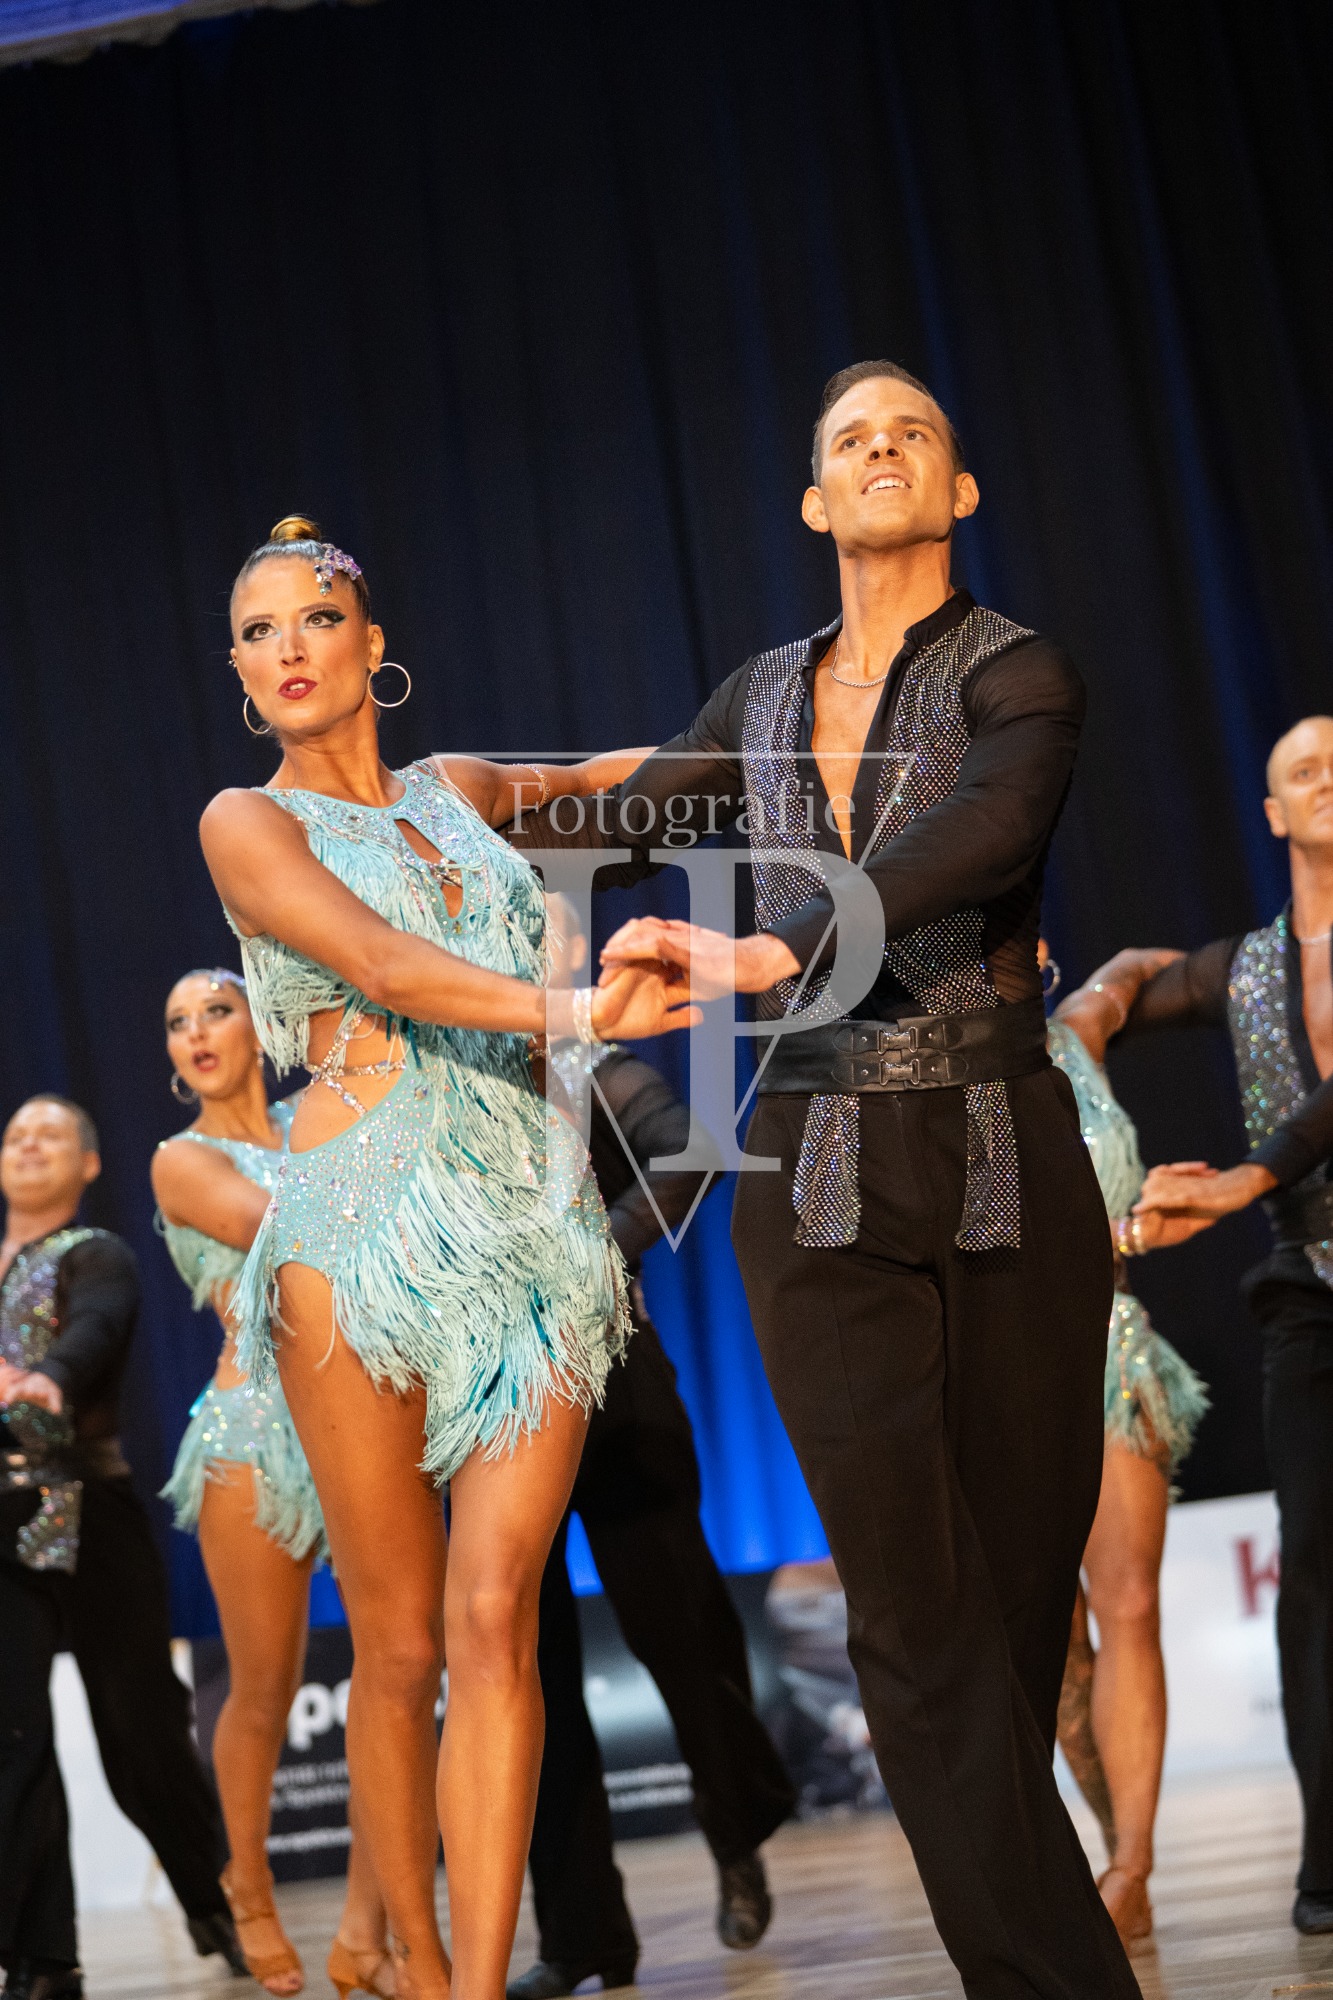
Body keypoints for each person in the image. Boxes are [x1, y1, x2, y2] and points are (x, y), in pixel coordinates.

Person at [539, 360, 1140, 1995]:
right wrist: (418, 797)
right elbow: (614, 820)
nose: (881, 451)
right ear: (815, 501)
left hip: (999, 1144)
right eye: (850, 440)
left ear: (955, 490)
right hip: (809, 1169)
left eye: (911, 434)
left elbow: (980, 834)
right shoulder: (754, 700)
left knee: (1008, 1611)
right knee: (905, 1617)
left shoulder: (1020, 672)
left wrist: (771, 943)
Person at [197, 516, 688, 2000]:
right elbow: (384, 966)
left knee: (496, 1622)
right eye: (257, 631)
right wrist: (580, 1010)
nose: (287, 648)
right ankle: (394, 1947)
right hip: (357, 1239)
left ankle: (474, 1982)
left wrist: (788, 740)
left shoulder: (460, 788)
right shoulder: (247, 821)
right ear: (241, 674)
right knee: (401, 1646)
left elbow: (612, 782)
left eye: (313, 617)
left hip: (532, 1233)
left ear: (371, 641)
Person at [509, 1026, 795, 2000]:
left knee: (681, 1630)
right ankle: (582, 1934)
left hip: (614, 1380)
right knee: (527, 1668)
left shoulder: (579, 1066)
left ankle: (736, 1830)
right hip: (491, 1399)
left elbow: (691, 1147)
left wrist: (593, 1252)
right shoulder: (426, 1087)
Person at [1125, 713, 1333, 1936]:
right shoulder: (1241, 966)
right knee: (1311, 1573)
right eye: (1304, 769)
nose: (1327, 780)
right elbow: (1112, 1003)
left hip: (1276, 1215)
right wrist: (1091, 992)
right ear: (1272, 812)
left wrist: (1245, 1179)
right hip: (1310, 1288)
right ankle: (1327, 1857)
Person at [153, 966, 394, 1999]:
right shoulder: (182, 1159)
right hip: (254, 1435)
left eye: (216, 1009)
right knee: (262, 1687)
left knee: (398, 1669)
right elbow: (292, 1224)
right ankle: (246, 1886)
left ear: (260, 1024)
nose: (197, 1031)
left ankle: (366, 1926)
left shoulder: (313, 1117)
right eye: (178, 1022)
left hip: (364, 1416)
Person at [0, 1095, 242, 2000]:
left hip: (89, 1507)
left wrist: (48, 1377)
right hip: (1, 1520)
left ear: (89, 1164)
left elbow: (95, 1327)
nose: (29, 1145)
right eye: (16, 1134)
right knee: (14, 1735)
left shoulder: (95, 1253)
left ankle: (219, 1901)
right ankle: (43, 1960)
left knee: (140, 1732)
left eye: (51, 1135)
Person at [1042, 946, 1210, 1947]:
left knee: (1128, 1600)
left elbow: (1137, 967)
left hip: (1107, 1346)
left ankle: (1132, 1865)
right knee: (1055, 1642)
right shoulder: (940, 1069)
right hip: (998, 1362)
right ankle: (1112, 1848)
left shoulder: (1078, 1029)